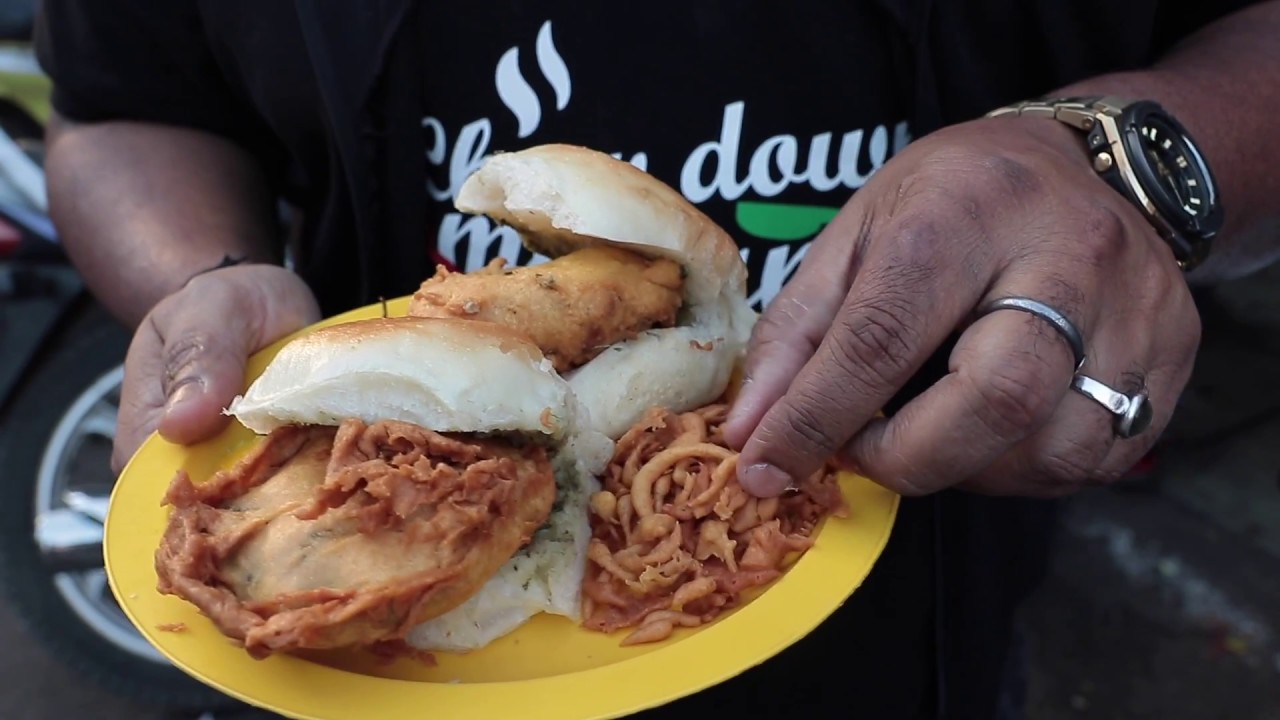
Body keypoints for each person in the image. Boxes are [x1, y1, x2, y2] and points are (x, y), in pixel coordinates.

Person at [34, 2, 1280, 717]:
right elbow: (124, 105)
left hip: (913, 595)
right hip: (361, 671)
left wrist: (1125, 164)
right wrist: (201, 276)